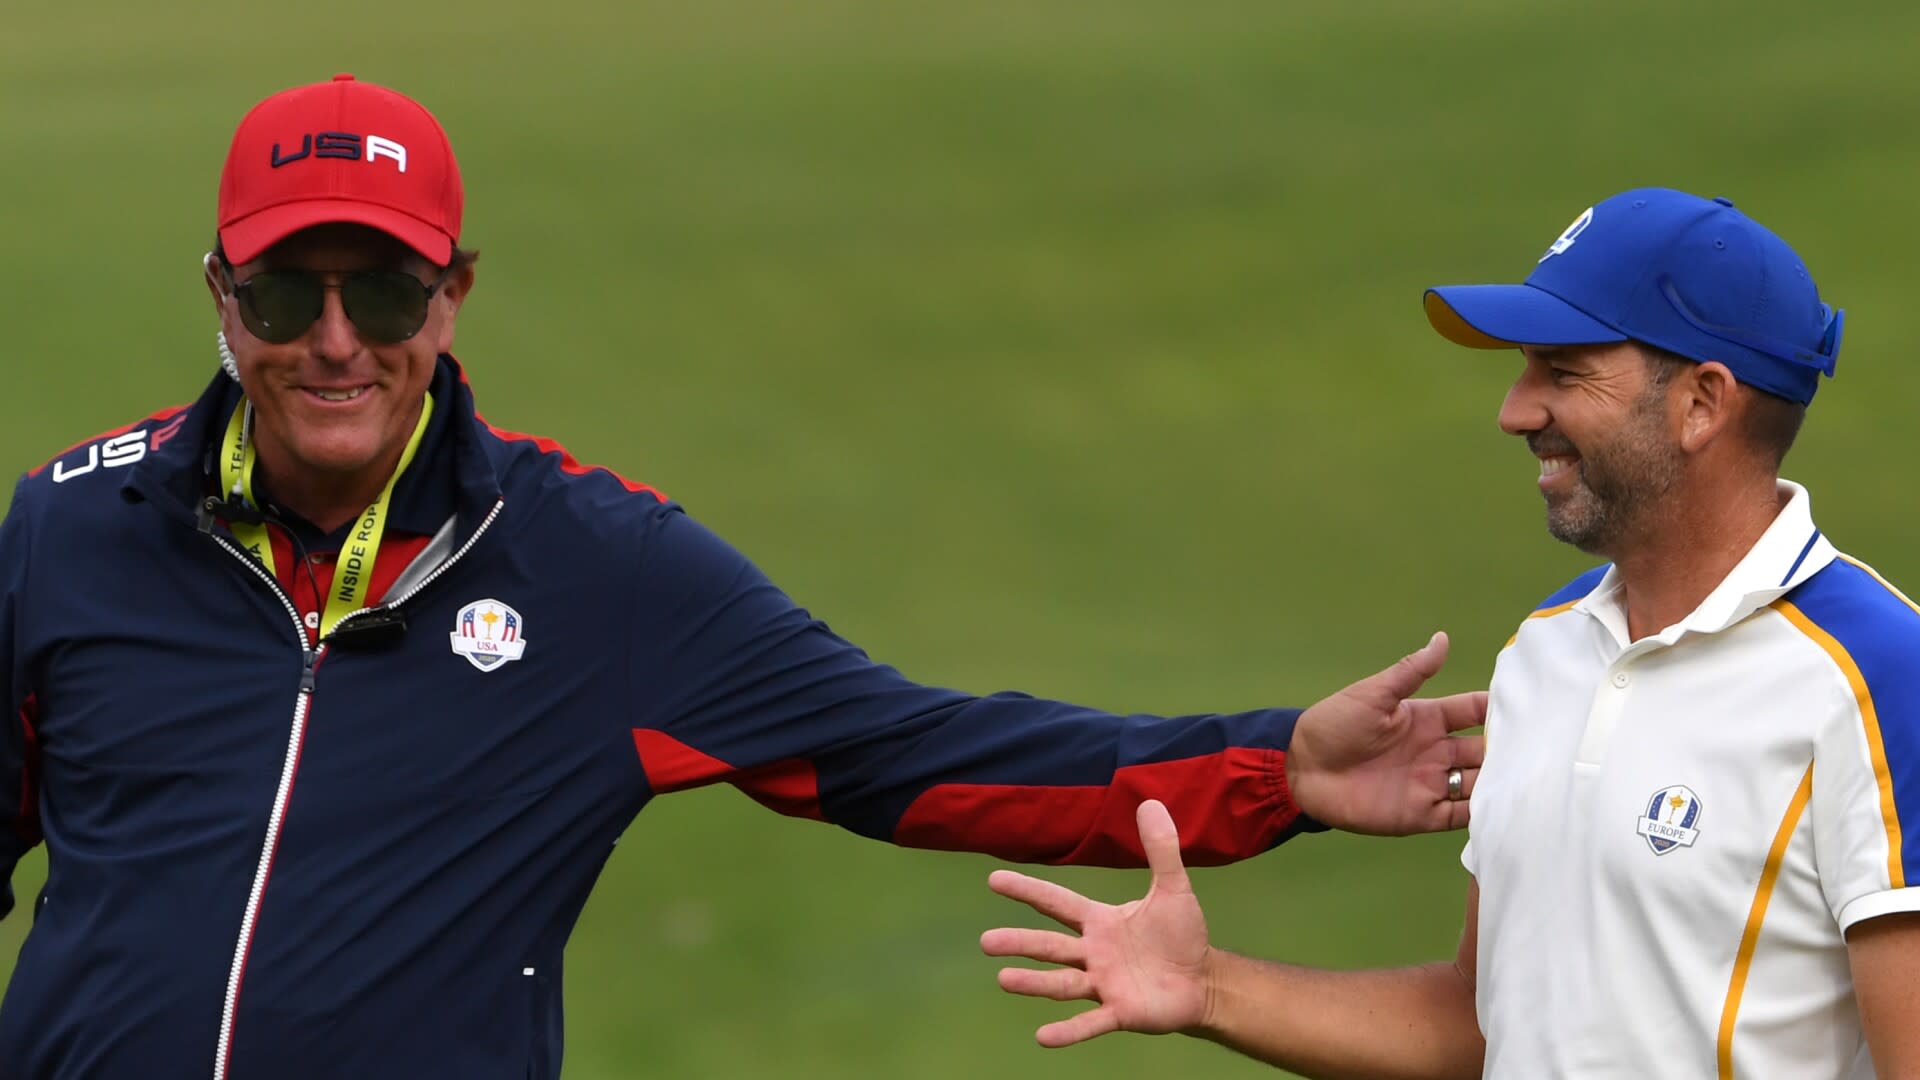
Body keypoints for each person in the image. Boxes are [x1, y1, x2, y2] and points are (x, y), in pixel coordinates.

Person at [0, 75, 1486, 1078]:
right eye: (285, 290)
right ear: (221, 294)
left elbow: (920, 755)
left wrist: (1277, 770)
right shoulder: (74, 531)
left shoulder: (600, 571)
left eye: (381, 287)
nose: (334, 340)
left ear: (451, 297)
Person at [983, 188, 1920, 1078]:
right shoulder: (1548, 650)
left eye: (1563, 371)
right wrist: (1207, 988)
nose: (1515, 411)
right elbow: (1483, 1023)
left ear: (1702, 403)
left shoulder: (1880, 679)